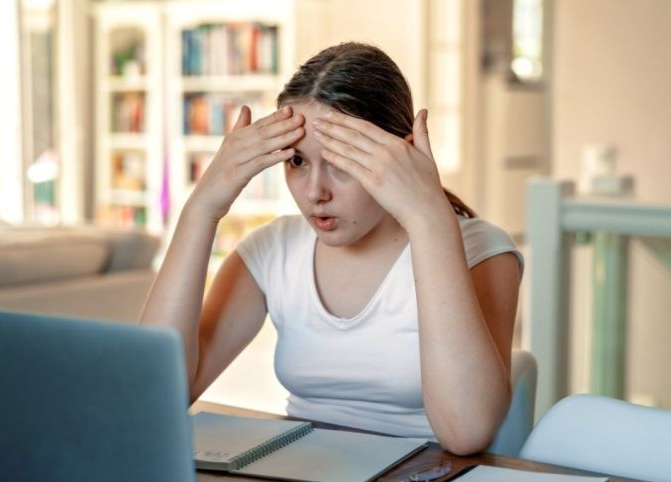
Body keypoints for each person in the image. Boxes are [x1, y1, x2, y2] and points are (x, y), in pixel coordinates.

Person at [140, 42, 523, 455]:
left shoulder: (481, 249)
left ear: (401, 154)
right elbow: (150, 399)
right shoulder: (274, 250)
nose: (315, 193)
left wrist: (428, 219)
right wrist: (201, 209)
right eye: (297, 162)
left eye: (342, 162)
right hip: (303, 472)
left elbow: (467, 433)